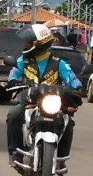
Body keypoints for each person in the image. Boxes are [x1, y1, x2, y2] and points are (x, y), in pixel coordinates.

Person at [5, 24, 83, 167]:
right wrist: (12, 82)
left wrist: (76, 87)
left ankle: (61, 158)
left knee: (68, 121)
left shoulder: (58, 63)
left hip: (51, 102)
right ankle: (15, 152)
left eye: (29, 42)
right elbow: (13, 74)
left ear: (38, 44)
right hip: (30, 100)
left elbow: (71, 78)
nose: (26, 45)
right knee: (14, 114)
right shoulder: (23, 60)